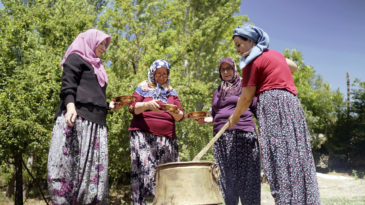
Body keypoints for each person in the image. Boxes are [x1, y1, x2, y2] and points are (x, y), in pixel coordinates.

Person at [229, 24, 320, 204]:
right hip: (291, 103)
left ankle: (286, 200)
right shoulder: (274, 55)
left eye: (239, 44)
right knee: (296, 151)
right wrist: (273, 58)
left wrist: (236, 116)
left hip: (271, 104)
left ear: (251, 41)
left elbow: (246, 97)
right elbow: (293, 66)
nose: (238, 50)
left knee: (278, 151)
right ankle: (305, 199)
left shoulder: (250, 61)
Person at [47, 29, 115, 204]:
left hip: (96, 125)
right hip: (78, 120)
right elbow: (68, 85)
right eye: (101, 43)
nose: (104, 48)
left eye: (105, 45)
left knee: (93, 176)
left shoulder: (98, 67)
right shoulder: (75, 57)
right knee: (68, 172)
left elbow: (92, 97)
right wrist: (70, 107)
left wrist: (109, 106)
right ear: (90, 41)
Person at [196, 58, 261, 205]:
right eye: (222, 69)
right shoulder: (218, 91)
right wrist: (204, 120)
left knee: (247, 180)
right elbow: (215, 115)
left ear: (234, 69)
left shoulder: (245, 86)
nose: (226, 72)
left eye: (229, 68)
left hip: (243, 135)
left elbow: (256, 108)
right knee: (226, 180)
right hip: (221, 139)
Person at [128, 59, 184, 204]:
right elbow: (132, 107)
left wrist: (172, 110)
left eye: (164, 74)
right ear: (152, 73)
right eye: (158, 73)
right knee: (146, 171)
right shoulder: (143, 87)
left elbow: (181, 116)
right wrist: (146, 105)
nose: (161, 77)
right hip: (142, 136)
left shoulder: (172, 92)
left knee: (167, 174)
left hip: (167, 139)